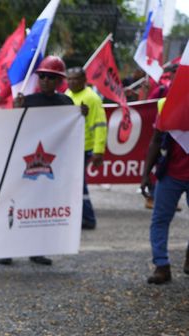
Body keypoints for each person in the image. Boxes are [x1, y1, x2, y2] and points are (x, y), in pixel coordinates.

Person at [2, 55, 74, 267]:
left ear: (59, 81)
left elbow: (71, 130)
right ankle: (6, 249)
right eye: (42, 76)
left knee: (42, 208)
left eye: (50, 77)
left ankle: (37, 250)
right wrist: (16, 111)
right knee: (17, 205)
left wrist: (81, 115)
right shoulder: (27, 101)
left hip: (50, 165)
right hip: (25, 163)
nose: (45, 80)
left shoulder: (66, 103)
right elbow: (13, 128)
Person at [141, 98, 189, 285]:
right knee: (160, 219)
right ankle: (161, 265)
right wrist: (146, 174)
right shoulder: (167, 106)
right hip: (170, 175)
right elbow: (156, 141)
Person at [65, 66, 106, 230]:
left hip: (85, 147)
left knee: (78, 184)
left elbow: (100, 125)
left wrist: (98, 151)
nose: (72, 82)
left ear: (84, 80)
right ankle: (79, 216)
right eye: (69, 79)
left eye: (75, 79)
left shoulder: (92, 98)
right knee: (74, 184)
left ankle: (88, 218)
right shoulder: (67, 95)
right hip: (72, 147)